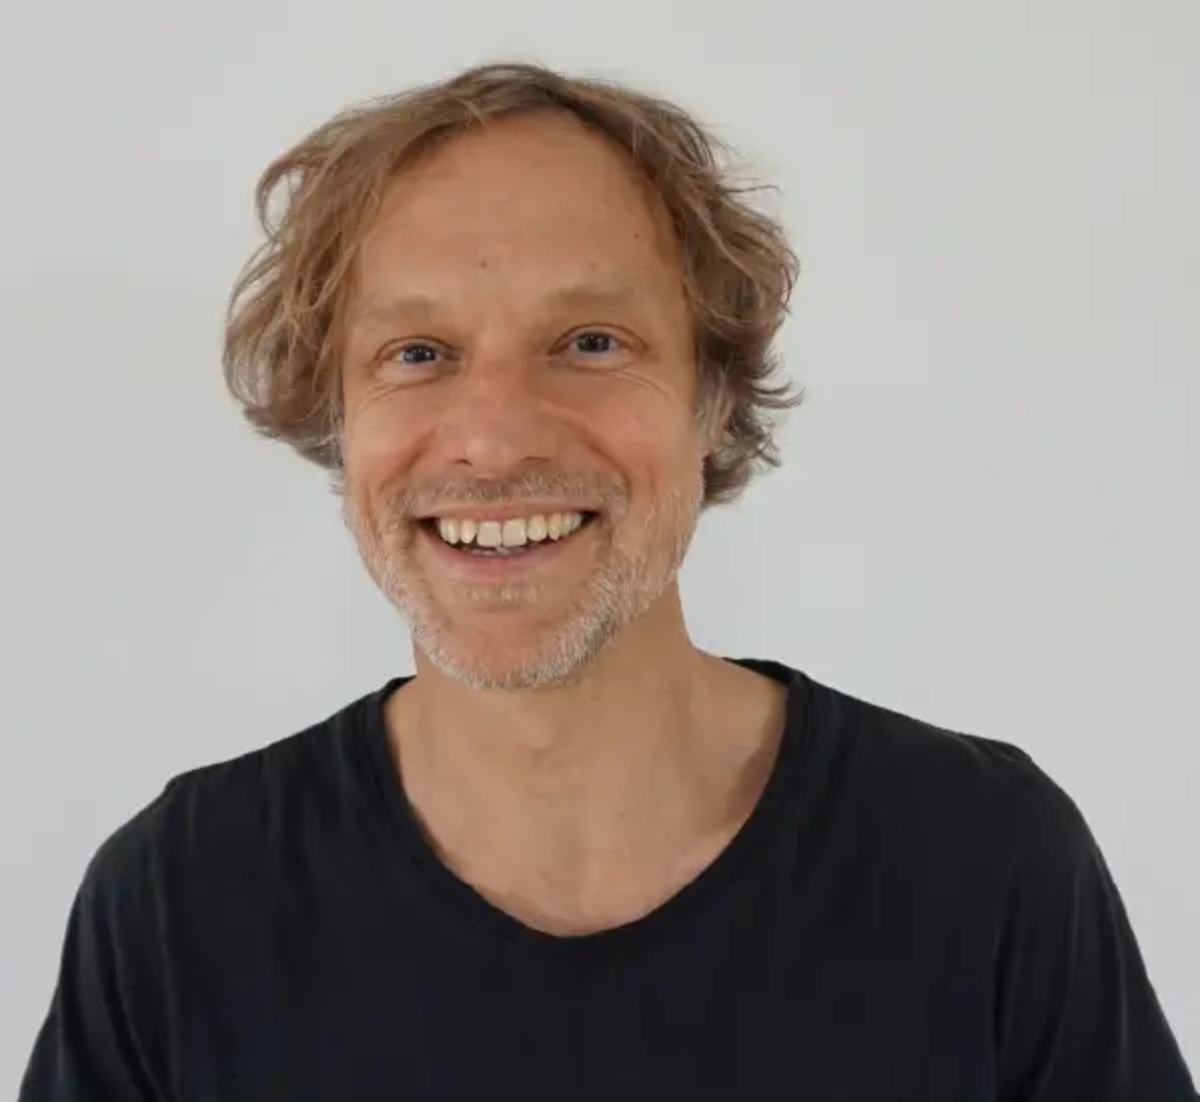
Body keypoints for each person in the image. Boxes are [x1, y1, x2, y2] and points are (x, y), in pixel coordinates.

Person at [20, 61, 1196, 1101]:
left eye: (590, 341)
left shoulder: (981, 860)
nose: (492, 439)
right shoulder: (182, 900)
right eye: (416, 353)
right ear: (338, 418)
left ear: (713, 398)